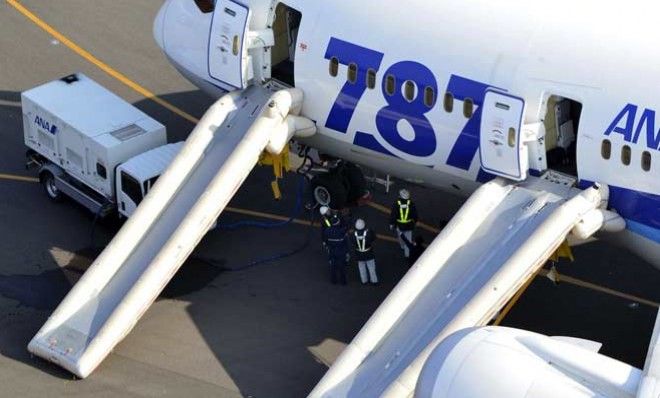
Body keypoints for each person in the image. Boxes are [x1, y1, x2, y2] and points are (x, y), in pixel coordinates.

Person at [389, 189, 418, 259]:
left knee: (400, 237)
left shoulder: (397, 204)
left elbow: (393, 215)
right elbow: (415, 214)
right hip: (409, 225)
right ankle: (407, 255)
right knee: (408, 239)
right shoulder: (411, 203)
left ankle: (402, 246)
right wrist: (415, 221)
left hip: (399, 225)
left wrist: (391, 224)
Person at [322, 214, 349, 285]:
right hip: (341, 251)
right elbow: (346, 241)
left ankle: (333, 280)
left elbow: (326, 241)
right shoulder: (342, 231)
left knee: (333, 267)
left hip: (332, 251)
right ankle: (343, 282)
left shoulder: (327, 231)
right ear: (338, 223)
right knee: (342, 267)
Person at [351, 219, 378, 285]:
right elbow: (374, 238)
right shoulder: (369, 232)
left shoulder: (353, 234)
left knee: (361, 267)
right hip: (368, 252)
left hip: (359, 253)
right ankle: (374, 281)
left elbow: (352, 242)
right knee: (371, 267)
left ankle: (364, 281)